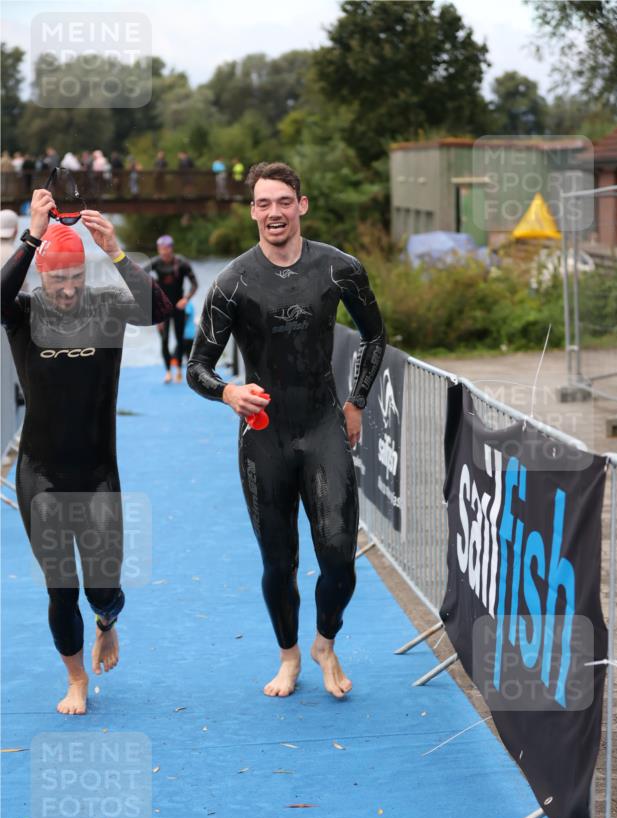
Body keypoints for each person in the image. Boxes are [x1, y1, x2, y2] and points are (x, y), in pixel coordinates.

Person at [187, 161, 386, 699]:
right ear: (252, 210)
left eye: (282, 201)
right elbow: (196, 367)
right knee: (280, 563)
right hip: (264, 436)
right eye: (262, 203)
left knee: (340, 560)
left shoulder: (340, 268)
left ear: (301, 205)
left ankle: (325, 640)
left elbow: (374, 336)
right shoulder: (232, 283)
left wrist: (357, 402)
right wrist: (228, 391)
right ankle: (290, 657)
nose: (273, 212)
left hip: (323, 425)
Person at [0, 187, 172, 715]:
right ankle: (75, 680)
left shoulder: (105, 307)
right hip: (40, 473)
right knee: (60, 588)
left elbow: (160, 309)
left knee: (103, 587)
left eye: (76, 277)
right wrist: (31, 236)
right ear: (42, 277)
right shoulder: (24, 313)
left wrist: (116, 252)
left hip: (98, 474)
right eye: (58, 279)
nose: (69, 289)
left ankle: (107, 623)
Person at [146, 235, 198, 382]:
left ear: (171, 248)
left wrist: (186, 299)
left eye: (166, 249)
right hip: (162, 308)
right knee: (164, 340)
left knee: (180, 339)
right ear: (158, 249)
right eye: (161, 249)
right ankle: (168, 371)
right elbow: (138, 277)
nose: (164, 252)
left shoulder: (181, 263)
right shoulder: (155, 263)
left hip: (178, 307)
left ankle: (179, 369)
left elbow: (195, 284)